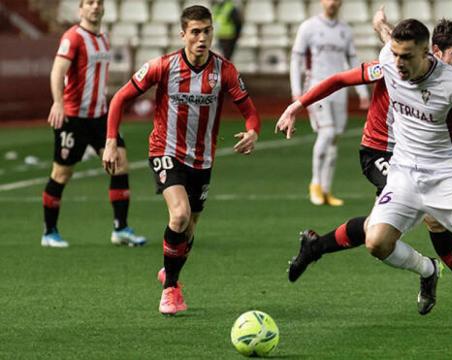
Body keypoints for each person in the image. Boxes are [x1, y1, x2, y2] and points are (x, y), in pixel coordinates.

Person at [278, 18, 452, 351]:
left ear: (427, 53)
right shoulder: (389, 61)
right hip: (402, 173)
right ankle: (429, 270)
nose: (398, 63)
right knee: (376, 242)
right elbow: (344, 77)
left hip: (445, 177)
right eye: (395, 55)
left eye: (406, 57)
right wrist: (297, 105)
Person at [102, 5, 260, 316]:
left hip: (202, 160)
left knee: (188, 232)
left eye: (207, 32)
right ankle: (170, 289)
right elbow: (120, 98)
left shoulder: (224, 71)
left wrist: (253, 131)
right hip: (166, 151)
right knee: (179, 216)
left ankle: (169, 269)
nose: (202, 39)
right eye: (196, 32)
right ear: (183, 34)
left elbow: (251, 112)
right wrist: (110, 141)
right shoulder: (163, 67)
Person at [41, 0, 145, 248]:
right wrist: (58, 102)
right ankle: (49, 232)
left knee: (119, 163)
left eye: (99, 2)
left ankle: (120, 228)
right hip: (73, 119)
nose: (95, 7)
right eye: (89, 3)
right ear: (81, 9)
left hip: (100, 117)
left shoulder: (104, 38)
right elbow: (57, 72)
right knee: (62, 173)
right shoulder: (73, 37)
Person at [290, 0, 370, 206]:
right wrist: (297, 91)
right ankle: (315, 184)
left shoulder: (345, 30)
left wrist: (362, 91)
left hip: (339, 93)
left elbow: (353, 62)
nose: (332, 2)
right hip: (316, 88)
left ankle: (326, 190)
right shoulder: (308, 27)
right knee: (327, 132)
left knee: (334, 138)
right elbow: (296, 60)